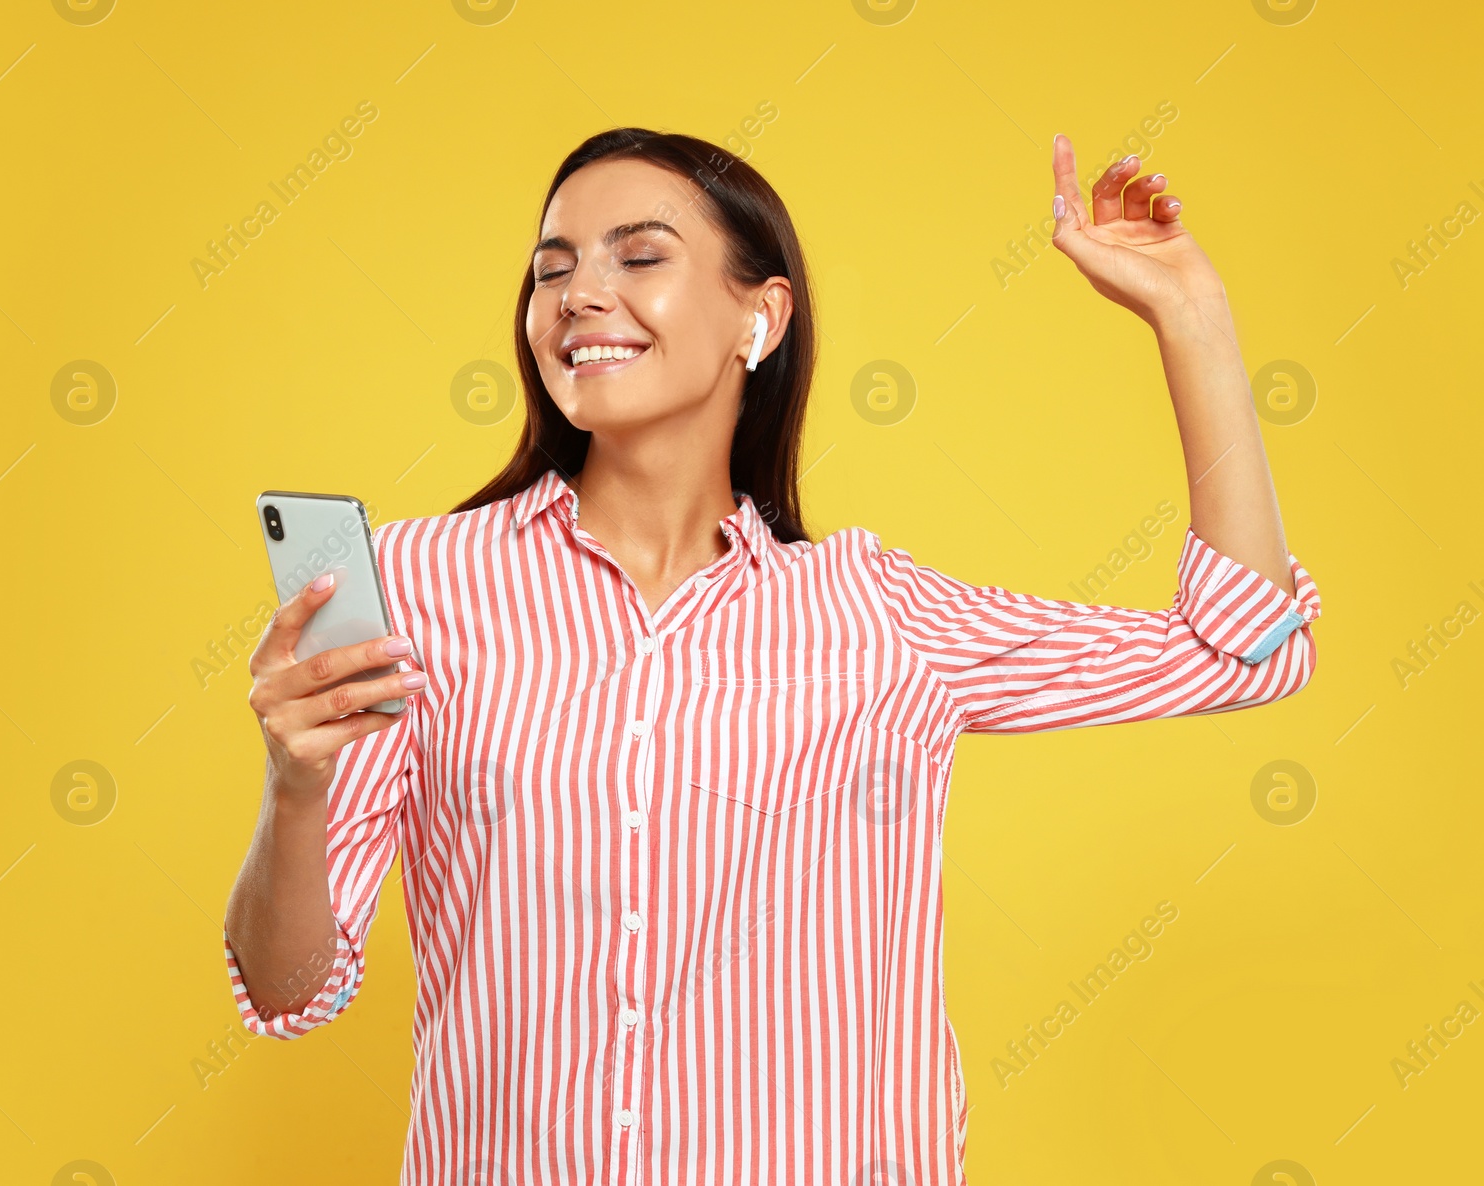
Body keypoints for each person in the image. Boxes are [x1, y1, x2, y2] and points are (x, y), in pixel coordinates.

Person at [223, 128, 1320, 1185]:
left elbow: (1244, 648)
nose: (579, 295)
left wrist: (1193, 317)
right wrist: (296, 785)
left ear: (762, 314)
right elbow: (289, 992)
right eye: (550, 270)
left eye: (638, 256)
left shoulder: (871, 612)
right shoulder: (413, 586)